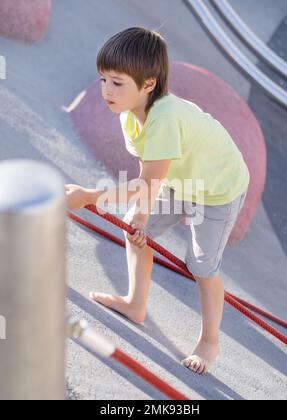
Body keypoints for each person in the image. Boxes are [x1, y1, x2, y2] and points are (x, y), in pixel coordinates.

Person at [65, 27, 250, 375]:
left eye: (117, 83)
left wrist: (90, 196)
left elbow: (149, 180)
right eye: (103, 79)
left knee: (201, 265)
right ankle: (136, 303)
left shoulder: (165, 118)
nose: (106, 90)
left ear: (148, 84)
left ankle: (210, 341)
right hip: (181, 181)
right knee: (136, 227)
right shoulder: (129, 116)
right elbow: (148, 169)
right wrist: (141, 217)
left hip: (217, 190)